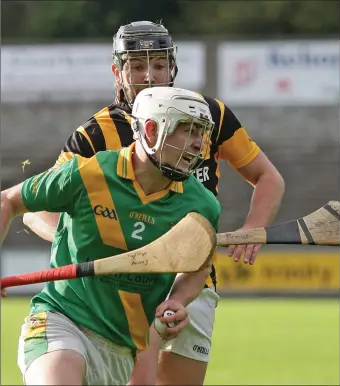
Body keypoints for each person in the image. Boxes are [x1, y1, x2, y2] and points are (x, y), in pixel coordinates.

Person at [23, 21, 285, 385]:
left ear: (172, 67)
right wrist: (97, 251)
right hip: (121, 291)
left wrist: (253, 228)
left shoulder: (208, 116)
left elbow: (268, 177)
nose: (151, 76)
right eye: (138, 66)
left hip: (190, 283)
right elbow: (36, 208)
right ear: (118, 71)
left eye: (159, 65)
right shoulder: (93, 135)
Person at [1, 86, 220, 386]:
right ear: (153, 130)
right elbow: (8, 202)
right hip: (60, 321)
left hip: (122, 353)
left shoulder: (202, 205)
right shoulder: (87, 174)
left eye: (202, 133)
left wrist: (179, 299)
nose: (198, 144)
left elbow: (199, 266)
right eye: (189, 130)